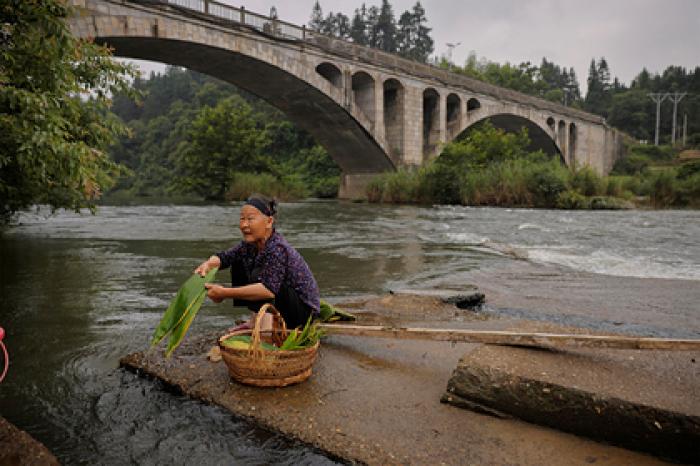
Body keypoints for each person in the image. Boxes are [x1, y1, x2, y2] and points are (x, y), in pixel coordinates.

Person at [195, 194, 320, 329]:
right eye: (242, 219)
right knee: (239, 263)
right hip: (283, 305)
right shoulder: (250, 245)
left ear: (269, 222)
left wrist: (224, 293)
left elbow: (267, 291)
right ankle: (255, 322)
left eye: (250, 219)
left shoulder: (277, 248)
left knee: (263, 283)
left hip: (303, 314)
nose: (244, 225)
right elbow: (225, 257)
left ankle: (265, 333)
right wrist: (208, 264)